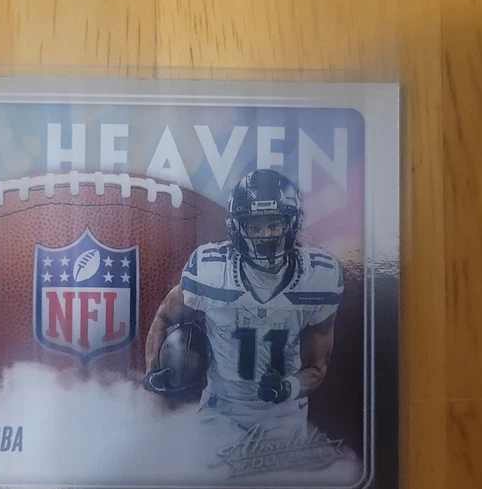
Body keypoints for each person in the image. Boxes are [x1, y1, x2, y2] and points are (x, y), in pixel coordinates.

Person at [144, 168, 343, 450]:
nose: (265, 236)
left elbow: (316, 368)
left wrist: (287, 387)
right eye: (254, 226)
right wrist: (153, 370)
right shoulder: (211, 270)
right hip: (221, 410)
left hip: (284, 415)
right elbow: (165, 315)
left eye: (274, 224)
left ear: (292, 223)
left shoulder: (318, 277)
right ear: (237, 227)